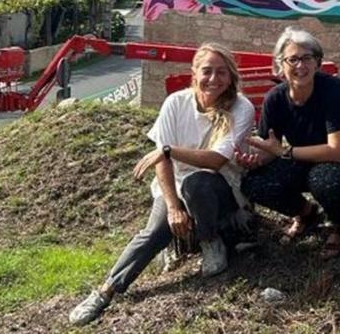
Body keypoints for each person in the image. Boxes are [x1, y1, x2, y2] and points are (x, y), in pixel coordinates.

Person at [69, 43, 256, 326]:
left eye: (222, 72)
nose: (214, 79)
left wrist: (170, 150)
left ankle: (209, 240)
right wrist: (172, 208)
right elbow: (162, 162)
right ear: (194, 73)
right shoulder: (175, 103)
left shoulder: (241, 107)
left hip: (221, 185)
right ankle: (106, 290)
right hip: (176, 182)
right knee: (155, 231)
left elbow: (217, 160)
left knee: (197, 184)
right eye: (207, 71)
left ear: (231, 76)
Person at [239, 27, 340, 259]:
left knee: (323, 179)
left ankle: (339, 225)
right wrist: (256, 161)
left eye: (307, 58)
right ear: (280, 65)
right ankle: (307, 214)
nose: (301, 66)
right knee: (254, 183)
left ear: (318, 62)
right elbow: (272, 146)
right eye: (293, 59)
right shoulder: (275, 98)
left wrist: (286, 152)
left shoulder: (332, 90)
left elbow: (337, 151)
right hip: (304, 156)